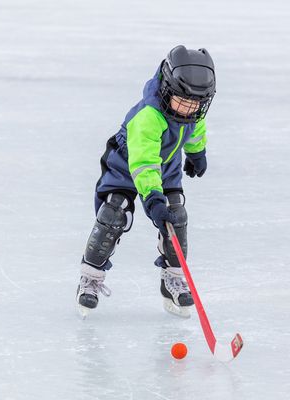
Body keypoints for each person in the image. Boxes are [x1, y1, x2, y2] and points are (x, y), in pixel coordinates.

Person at [76, 45, 216, 318]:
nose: (189, 109)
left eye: (197, 104)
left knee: (176, 217)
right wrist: (152, 198)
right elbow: (144, 164)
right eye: (183, 101)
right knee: (113, 214)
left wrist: (197, 153)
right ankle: (90, 278)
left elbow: (196, 128)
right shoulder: (148, 118)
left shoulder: (191, 108)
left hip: (166, 167)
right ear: (167, 89)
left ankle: (172, 279)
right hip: (126, 166)